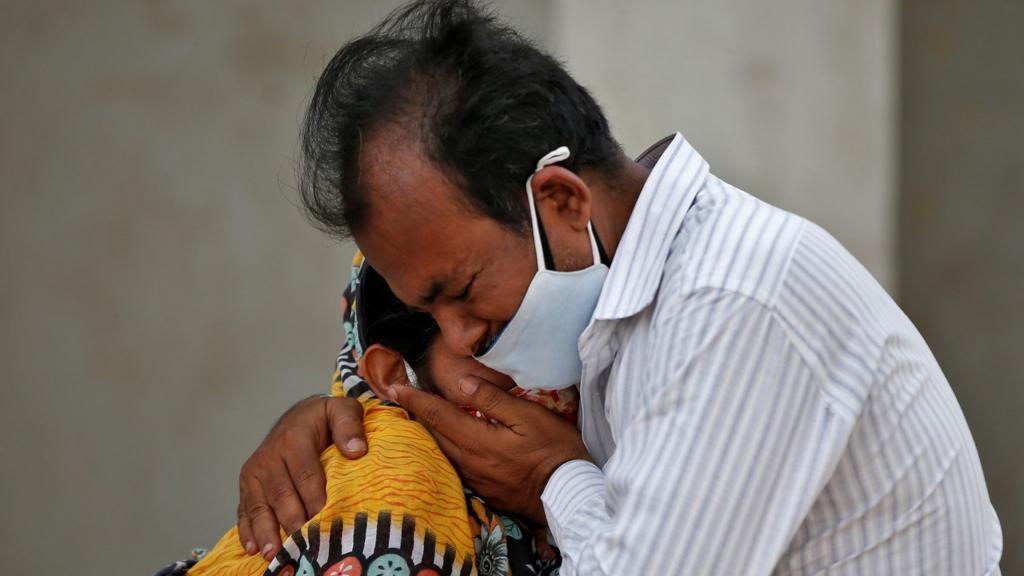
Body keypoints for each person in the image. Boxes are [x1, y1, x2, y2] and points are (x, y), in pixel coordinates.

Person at [238, 1, 1003, 574]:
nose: (463, 334)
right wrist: (337, 429)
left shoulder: (733, 299)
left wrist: (552, 477)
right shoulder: (607, 323)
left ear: (562, 204)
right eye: (426, 312)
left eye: (463, 290)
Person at [156, 253, 568, 575]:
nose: (549, 369)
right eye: (491, 339)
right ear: (393, 376)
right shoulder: (395, 483)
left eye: (548, 322)